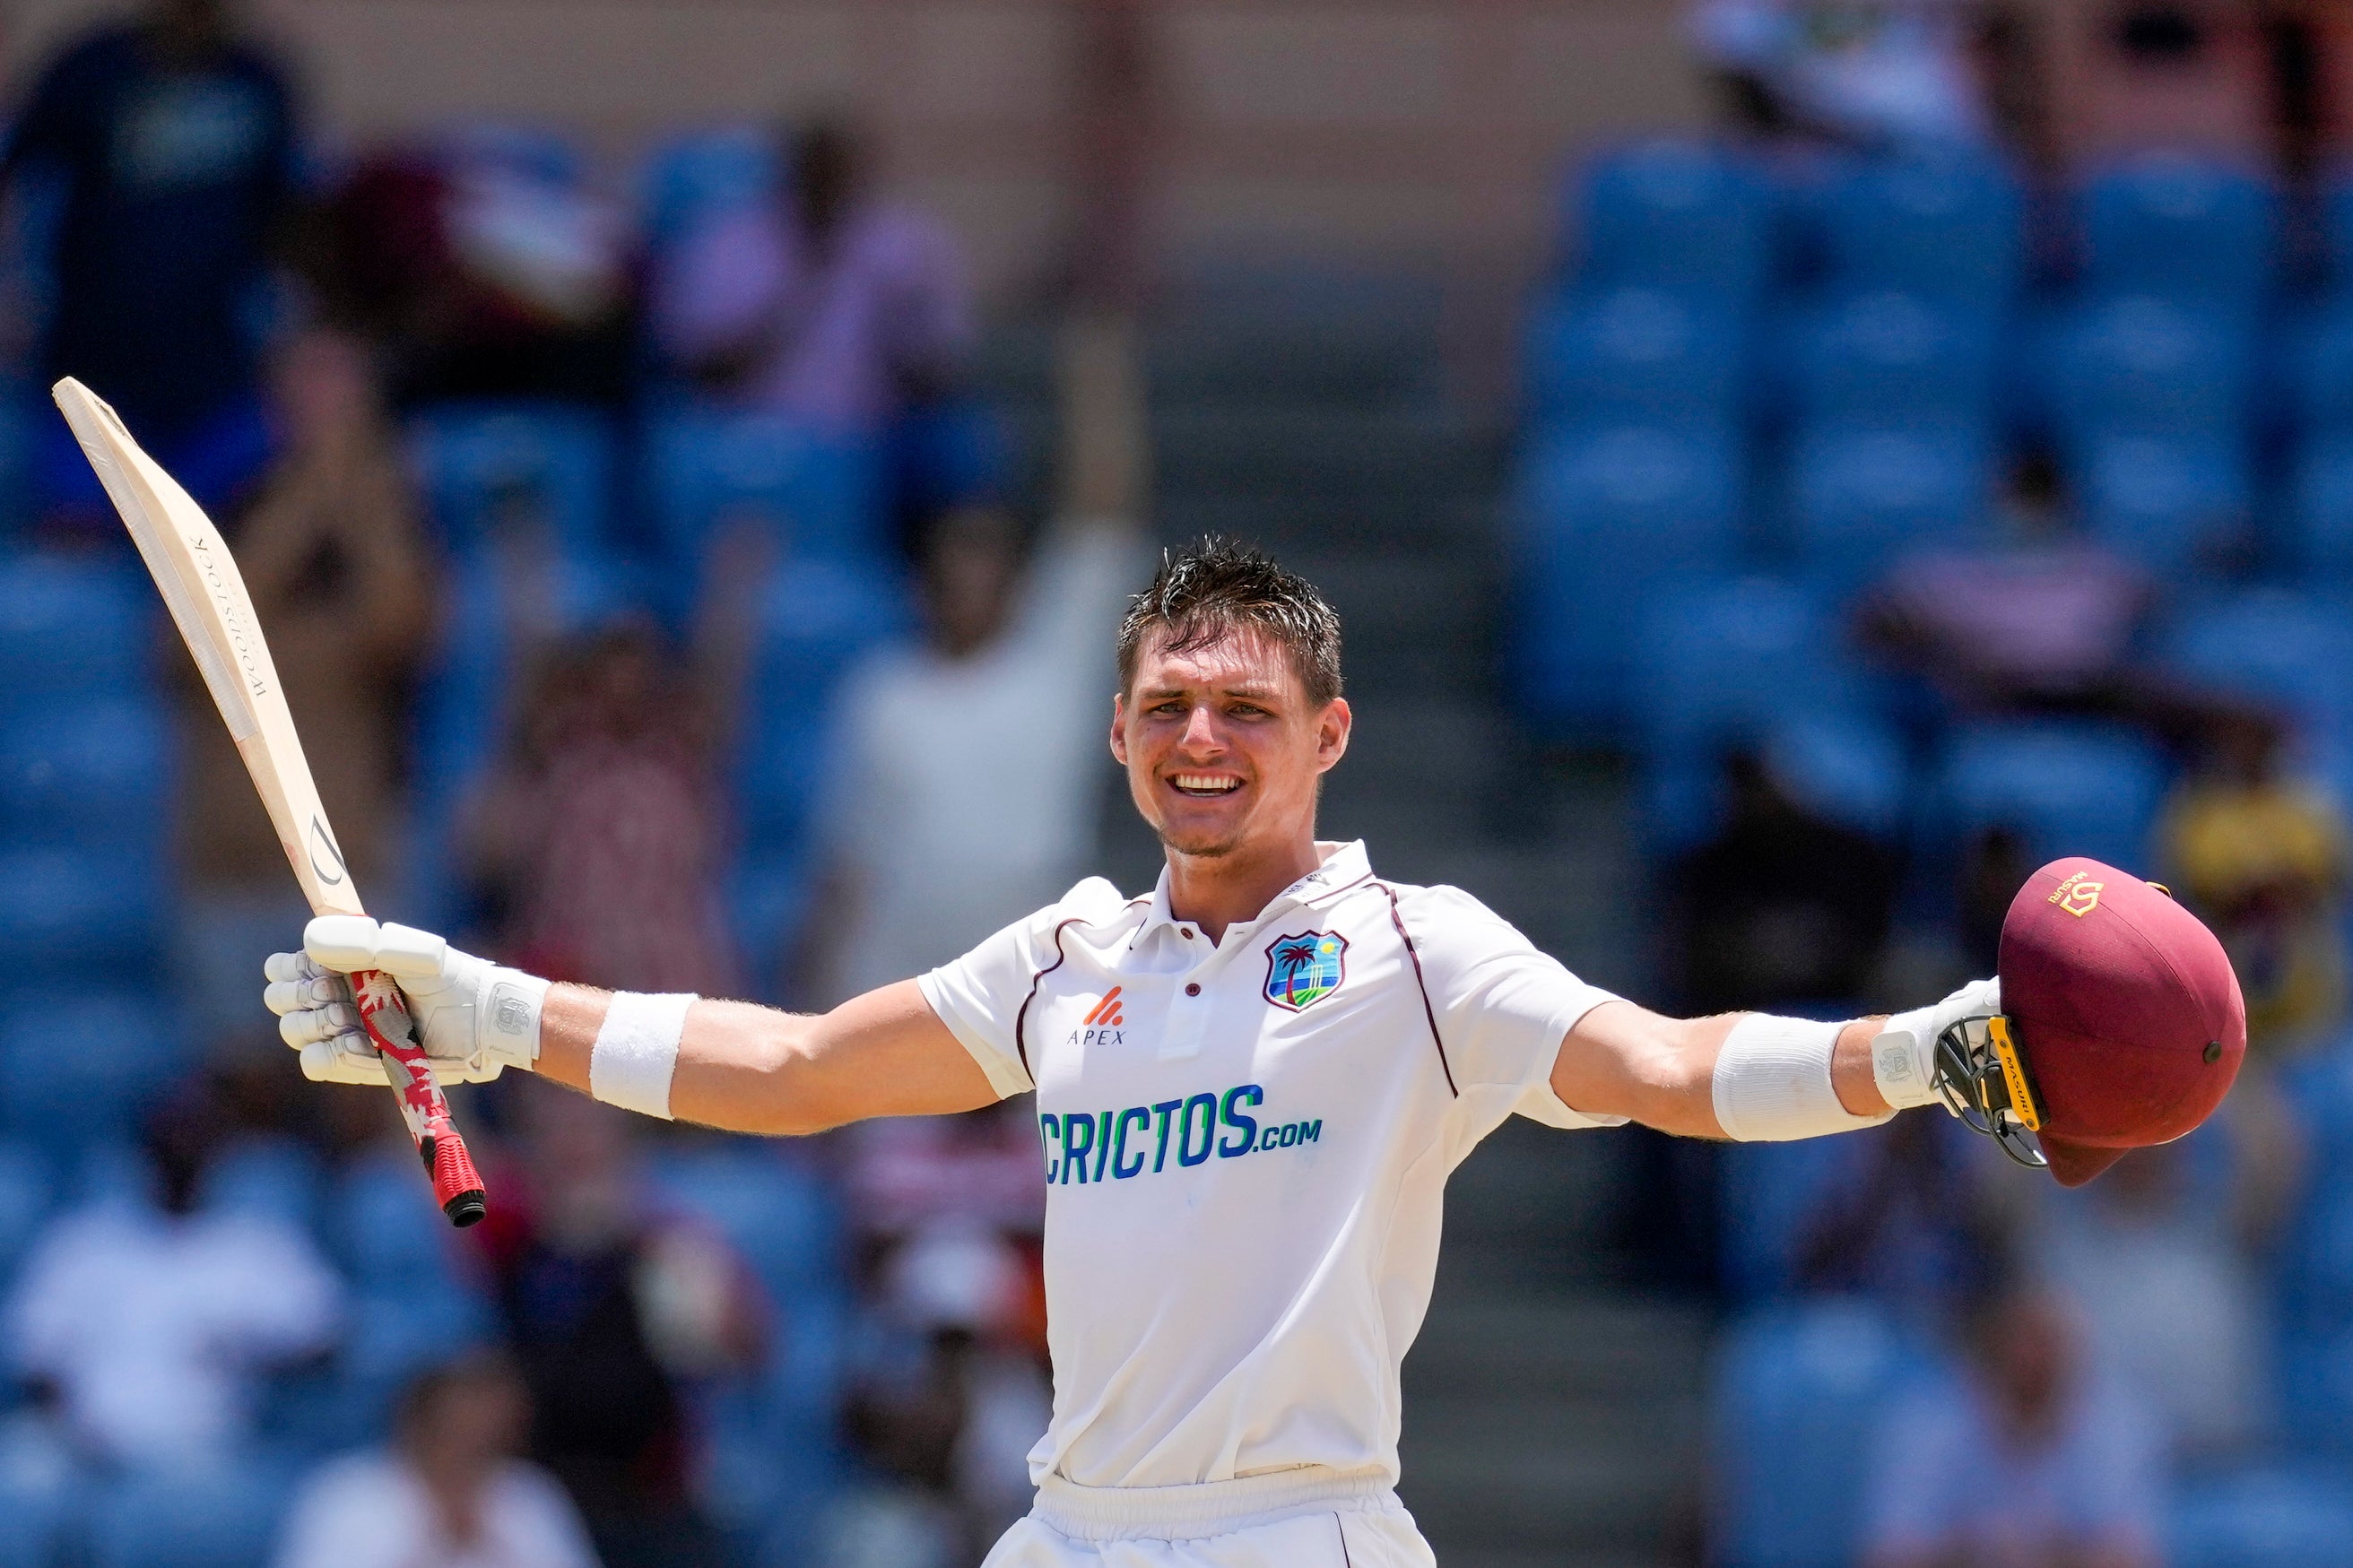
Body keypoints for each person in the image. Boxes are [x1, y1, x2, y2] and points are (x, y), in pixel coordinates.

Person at [269, 540, 2040, 1566]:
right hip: (1073, 1533)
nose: (1205, 738)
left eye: (1248, 708)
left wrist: (1916, 1052)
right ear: (1120, 732)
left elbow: (1663, 1065)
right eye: (1171, 706)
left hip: (1295, 1534)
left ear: (1328, 732)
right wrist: (481, 1008)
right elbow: (792, 1062)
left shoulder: (1419, 950)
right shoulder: (1068, 958)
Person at [805, 313, 1146, 1002]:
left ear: (1014, 576)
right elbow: (850, 858)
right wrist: (819, 978)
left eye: (985, 558)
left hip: (1036, 967)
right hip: (903, 969)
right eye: (953, 559)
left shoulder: (1054, 663)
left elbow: (1105, 508)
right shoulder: (882, 692)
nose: (968, 579)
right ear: (923, 578)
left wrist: (1094, 364)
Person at [178, 327, 435, 1053]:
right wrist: (309, 490)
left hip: (351, 891)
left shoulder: (397, 517)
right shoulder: (217, 498)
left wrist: (354, 488)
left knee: (371, 1109)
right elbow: (196, 639)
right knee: (241, 1122)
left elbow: (399, 630)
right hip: (225, 882)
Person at [1, 0, 300, 528]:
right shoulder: (93, 67)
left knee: (224, 550)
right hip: (92, 375)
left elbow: (286, 222)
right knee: (78, 552)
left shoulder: (259, 80)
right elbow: (23, 175)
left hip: (217, 379)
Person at [471, 1079, 760, 1568]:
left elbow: (746, 1350)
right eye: (555, 1126)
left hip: (649, 1501)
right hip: (533, 1497)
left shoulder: (671, 1241)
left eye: (587, 1124)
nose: (573, 1141)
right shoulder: (504, 1226)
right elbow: (430, 1160)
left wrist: (700, 1298)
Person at [4, 1086, 342, 1466]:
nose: (181, 1151)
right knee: (25, 1468)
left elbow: (325, 1343)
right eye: (169, 1140)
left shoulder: (258, 1243)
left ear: (216, 1152)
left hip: (214, 1450)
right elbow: (34, 1360)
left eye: (194, 1139)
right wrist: (74, 1431)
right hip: (85, 1450)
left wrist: (249, 1353)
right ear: (144, 1151)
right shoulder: (83, 1243)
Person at [649, 117, 971, 434]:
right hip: (746, 434)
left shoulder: (903, 246)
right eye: (816, 172)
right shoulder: (727, 243)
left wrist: (895, 318)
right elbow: (699, 370)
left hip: (872, 437)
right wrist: (802, 292)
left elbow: (937, 375)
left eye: (838, 175)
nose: (826, 186)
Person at [1861, 1272, 2163, 1568]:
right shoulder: (1928, 1418)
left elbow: (2136, 1557)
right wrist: (1992, 1552)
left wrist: (2027, 1554)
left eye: (2048, 1342)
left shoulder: (2117, 1421)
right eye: (2023, 1340)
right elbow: (1889, 1555)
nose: (2034, 1357)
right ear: (1990, 1346)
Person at [274, 1350, 601, 1568]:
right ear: (423, 1422)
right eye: (461, 1425)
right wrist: (432, 1547)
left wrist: (492, 1547)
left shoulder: (529, 1493)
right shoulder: (346, 1494)